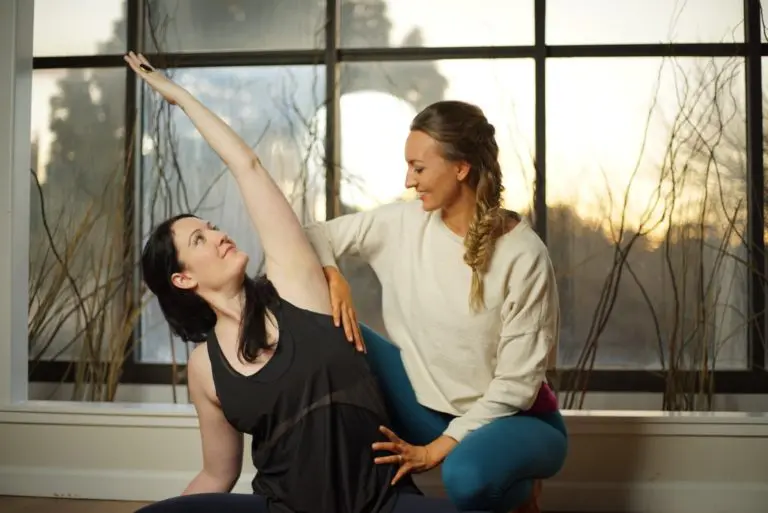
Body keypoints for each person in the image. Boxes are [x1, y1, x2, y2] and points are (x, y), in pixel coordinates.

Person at [124, 52, 488, 513]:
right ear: (182, 278)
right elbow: (219, 472)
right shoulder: (204, 367)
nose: (218, 235)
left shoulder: (294, 286)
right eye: (200, 238)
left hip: (379, 503)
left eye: (212, 226)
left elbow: (247, 167)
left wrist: (179, 97)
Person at [303, 100, 569, 513]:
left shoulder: (524, 255)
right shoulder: (403, 223)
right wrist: (332, 274)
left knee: (466, 477)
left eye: (419, 167)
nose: (409, 180)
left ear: (460, 167)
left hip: (515, 421)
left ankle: (516, 486)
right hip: (428, 406)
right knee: (340, 333)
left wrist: (434, 451)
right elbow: (313, 234)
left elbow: (516, 386)